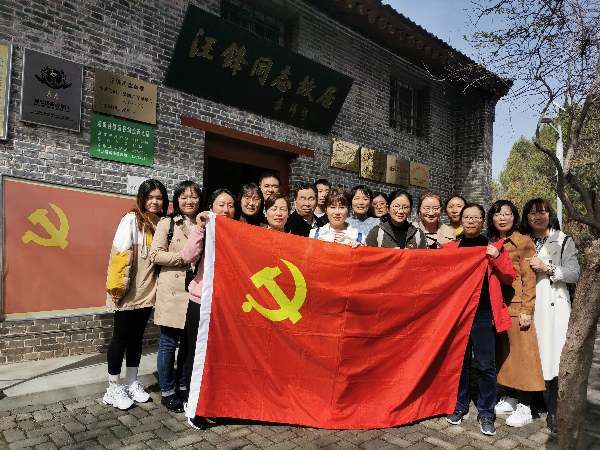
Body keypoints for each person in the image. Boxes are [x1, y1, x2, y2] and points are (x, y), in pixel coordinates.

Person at [444, 203, 516, 436]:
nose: (471, 221)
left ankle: (486, 412)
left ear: (484, 221)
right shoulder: (452, 248)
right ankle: (460, 406)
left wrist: (497, 258)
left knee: (486, 366)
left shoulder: (494, 247)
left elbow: (509, 277)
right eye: (467, 217)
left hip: (484, 313)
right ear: (461, 220)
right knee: (460, 363)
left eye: (476, 217)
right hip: (459, 314)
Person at [104, 179, 169, 410]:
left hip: (147, 292)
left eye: (159, 198)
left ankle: (131, 383)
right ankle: (112, 388)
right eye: (150, 197)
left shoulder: (159, 223)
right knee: (120, 339)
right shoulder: (131, 220)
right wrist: (117, 289)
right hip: (128, 291)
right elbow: (120, 255)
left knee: (136, 340)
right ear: (141, 198)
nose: (154, 202)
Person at [522, 198, 580, 433]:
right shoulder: (523, 239)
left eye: (543, 212)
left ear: (550, 215)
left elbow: (574, 273)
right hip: (528, 304)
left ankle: (554, 411)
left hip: (554, 306)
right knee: (531, 353)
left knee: (555, 357)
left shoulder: (563, 240)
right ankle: (533, 401)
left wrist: (547, 267)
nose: (538, 216)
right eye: (532, 212)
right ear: (526, 217)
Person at [181, 188, 236, 430]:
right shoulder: (203, 230)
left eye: (230, 205)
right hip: (200, 302)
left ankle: (210, 404)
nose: (226, 209)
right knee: (196, 355)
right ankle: (193, 405)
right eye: (221, 204)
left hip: (225, 306)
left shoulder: (237, 234)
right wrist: (200, 228)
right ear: (211, 208)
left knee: (217, 357)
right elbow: (187, 256)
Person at [487, 200, 545, 427]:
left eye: (507, 214)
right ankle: (510, 399)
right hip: (498, 307)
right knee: (506, 356)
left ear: (514, 217)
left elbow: (529, 279)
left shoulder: (523, 242)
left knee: (524, 357)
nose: (502, 218)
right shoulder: (492, 242)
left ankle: (525, 407)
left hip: (518, 307)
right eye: (497, 214)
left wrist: (527, 310)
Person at [150, 181, 202, 413]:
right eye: (184, 197)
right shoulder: (167, 223)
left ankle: (182, 385)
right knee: (169, 343)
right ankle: (167, 392)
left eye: (193, 196)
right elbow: (155, 255)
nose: (189, 201)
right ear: (176, 200)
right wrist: (184, 257)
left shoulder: (204, 223)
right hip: (172, 290)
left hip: (194, 290)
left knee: (188, 344)